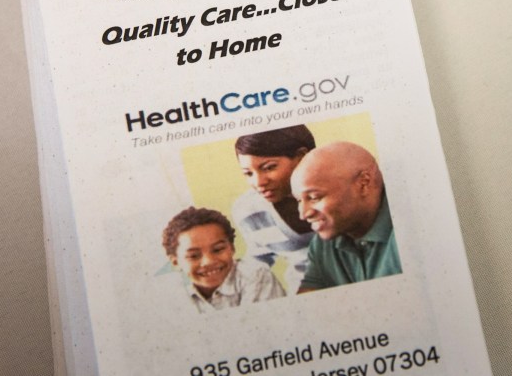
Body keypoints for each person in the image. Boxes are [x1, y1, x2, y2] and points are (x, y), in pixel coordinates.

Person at [289, 141, 401, 291]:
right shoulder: (323, 243)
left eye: (314, 197)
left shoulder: (408, 225)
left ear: (363, 183)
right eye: (299, 200)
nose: (303, 214)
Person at [232, 125, 316, 293]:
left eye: (269, 167)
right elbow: (257, 261)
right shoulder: (248, 210)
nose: (259, 183)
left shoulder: (340, 191)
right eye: (248, 174)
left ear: (302, 157)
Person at [162, 206, 284, 311]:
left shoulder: (256, 275)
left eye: (218, 249)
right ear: (176, 262)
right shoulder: (172, 295)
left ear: (232, 248)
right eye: (194, 256)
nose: (208, 261)